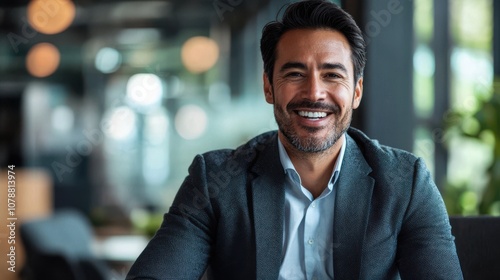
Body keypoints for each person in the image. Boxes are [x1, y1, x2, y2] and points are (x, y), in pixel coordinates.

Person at [126, 0, 463, 279]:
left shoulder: (406, 182)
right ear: (268, 87)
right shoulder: (215, 180)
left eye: (332, 75)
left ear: (356, 91)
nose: (314, 93)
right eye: (295, 74)